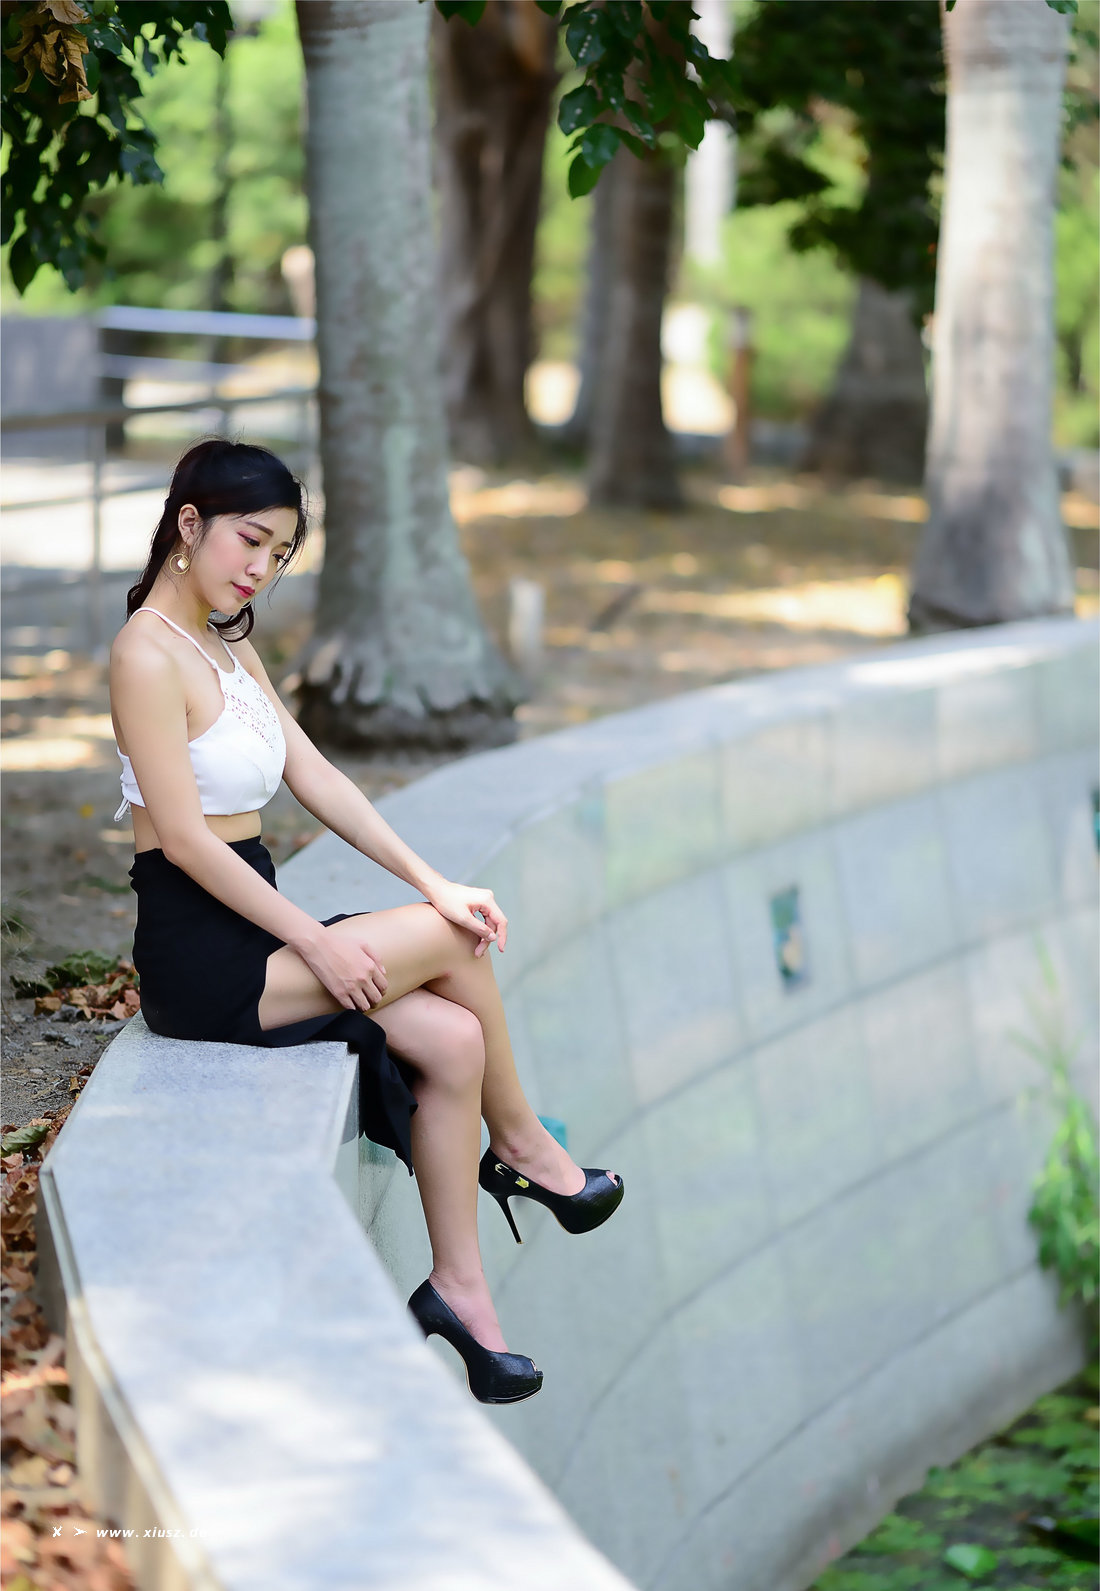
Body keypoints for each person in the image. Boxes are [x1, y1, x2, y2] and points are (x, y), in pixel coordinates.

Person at [109, 438, 623, 1406]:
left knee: (456, 1038)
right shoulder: (144, 652)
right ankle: (519, 1145)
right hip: (202, 959)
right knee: (457, 940)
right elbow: (183, 841)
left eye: (279, 553)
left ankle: (460, 1291)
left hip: (257, 928)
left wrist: (432, 878)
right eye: (250, 541)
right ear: (189, 524)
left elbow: (315, 775)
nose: (260, 568)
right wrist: (318, 940)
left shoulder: (225, 641)